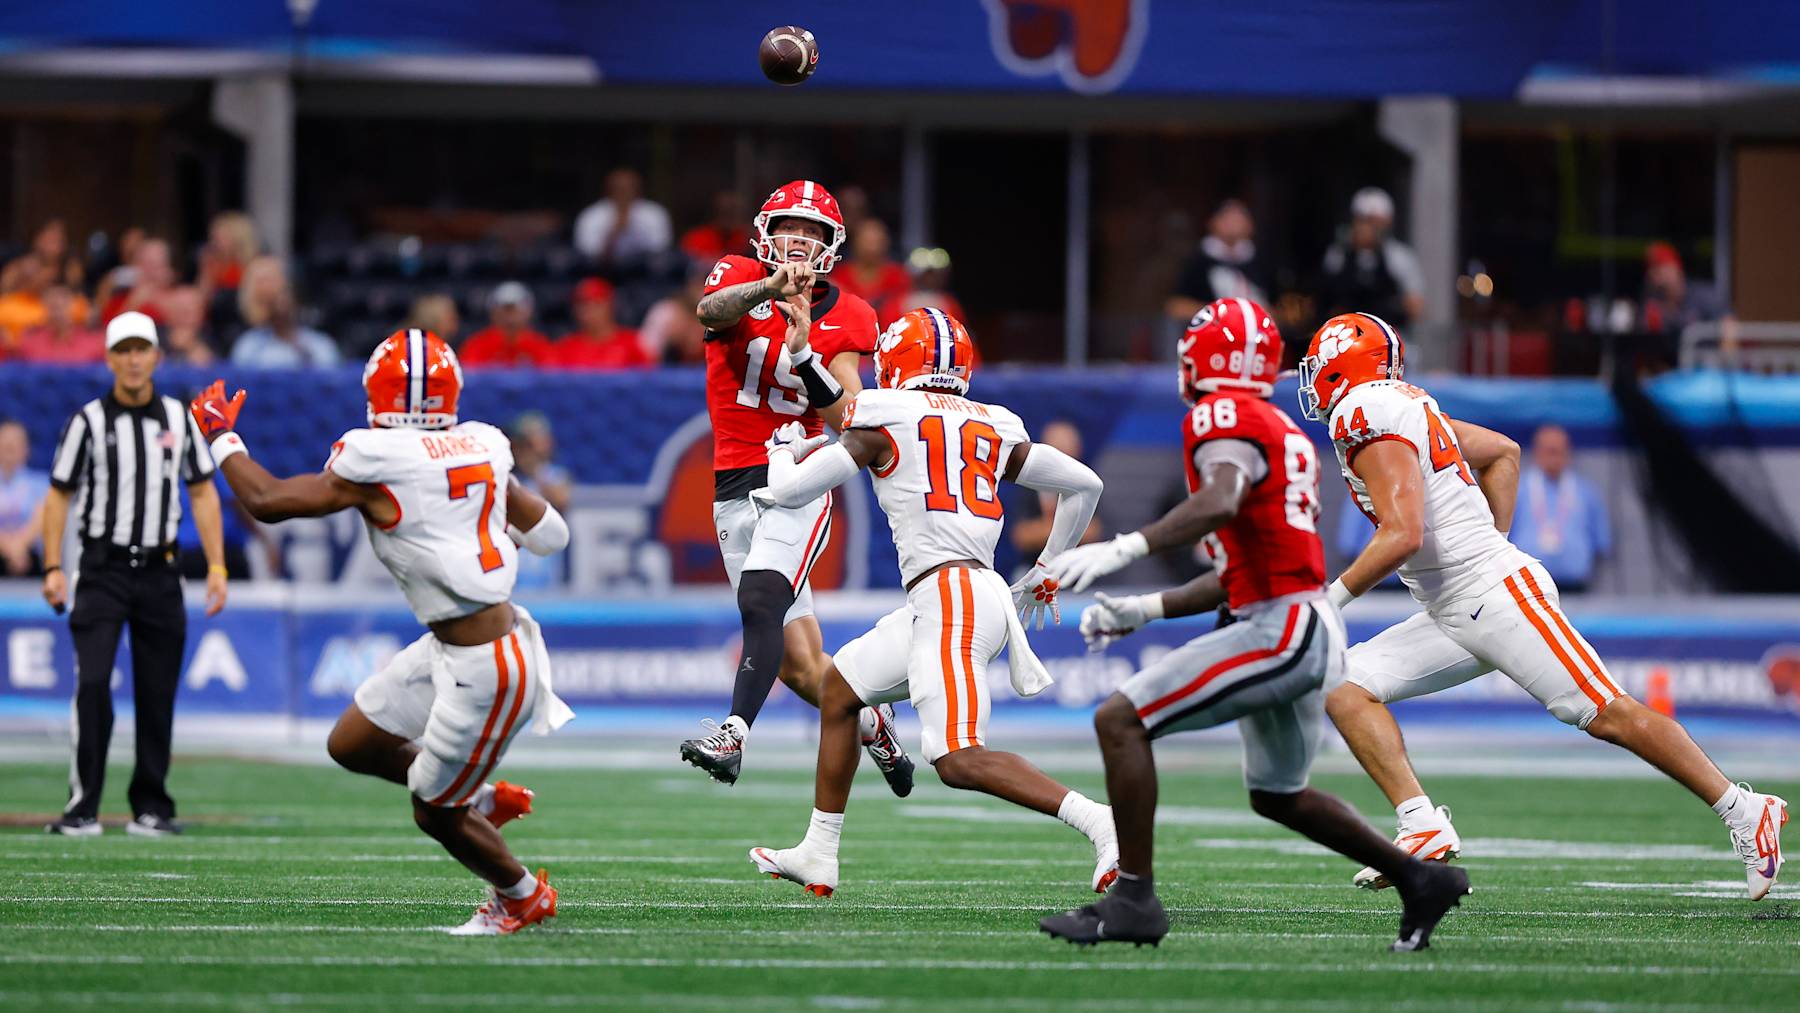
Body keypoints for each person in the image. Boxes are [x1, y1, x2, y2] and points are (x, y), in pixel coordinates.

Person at [1298, 312, 1786, 901]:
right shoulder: (1401, 406)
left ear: (1345, 363)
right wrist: (1492, 544)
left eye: (1320, 361)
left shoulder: (1364, 411)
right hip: (1458, 603)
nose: (1313, 375)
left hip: (1487, 593)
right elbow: (1502, 451)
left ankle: (1743, 809)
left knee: (1608, 714)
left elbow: (1402, 533)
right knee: (1344, 684)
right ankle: (1420, 822)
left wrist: (1332, 600)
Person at [1037, 299, 1469, 952]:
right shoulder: (1282, 431)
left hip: (1283, 626)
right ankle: (1419, 878)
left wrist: (1126, 548)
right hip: (1301, 620)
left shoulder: (1222, 414)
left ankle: (1134, 898)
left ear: (1211, 356)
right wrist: (1145, 608)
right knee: (1278, 794)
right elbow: (1239, 568)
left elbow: (1222, 497)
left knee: (1120, 719)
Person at [190, 328, 575, 934]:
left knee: (432, 810)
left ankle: (521, 895)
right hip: (453, 644)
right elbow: (553, 536)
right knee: (353, 743)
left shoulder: (374, 457)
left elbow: (265, 499)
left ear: (376, 392)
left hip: (489, 664)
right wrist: (481, 509)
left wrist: (219, 433)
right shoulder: (483, 443)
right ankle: (478, 798)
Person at [745, 307, 1117, 898]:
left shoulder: (883, 415)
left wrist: (781, 450)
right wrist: (1048, 567)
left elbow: (788, 492)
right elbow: (1085, 486)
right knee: (840, 690)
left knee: (958, 759)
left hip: (952, 598)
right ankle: (819, 851)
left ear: (895, 361)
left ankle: (1101, 821)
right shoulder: (991, 421)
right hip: (961, 593)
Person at [680, 179, 913, 791]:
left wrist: (806, 354)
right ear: (766, 234)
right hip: (733, 481)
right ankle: (876, 724)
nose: (799, 241)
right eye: (790, 228)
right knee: (804, 670)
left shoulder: (851, 312)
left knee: (760, 601)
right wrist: (770, 289)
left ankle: (734, 732)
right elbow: (710, 313)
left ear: (832, 246)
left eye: (812, 233)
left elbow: (852, 419)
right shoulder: (736, 275)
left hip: (798, 472)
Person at [40, 311, 229, 837]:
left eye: (140, 349)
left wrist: (216, 565)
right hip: (101, 569)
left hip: (161, 571)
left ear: (156, 356)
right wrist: (53, 564)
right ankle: (83, 807)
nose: (132, 359)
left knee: (157, 689)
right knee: (93, 683)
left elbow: (202, 492)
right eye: (122, 350)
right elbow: (58, 495)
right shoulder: (87, 423)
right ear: (109, 359)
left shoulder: (177, 417)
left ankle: (152, 805)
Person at [1509, 425, 1610, 592]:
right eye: (1549, 450)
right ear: (1537, 452)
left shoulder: (1585, 492)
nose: (1554, 456)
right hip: (1528, 588)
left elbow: (1601, 543)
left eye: (1559, 451)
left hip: (1576, 587)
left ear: (1568, 452)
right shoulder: (1517, 490)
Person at [1318, 188, 1426, 326]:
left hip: (1389, 334)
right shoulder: (1338, 255)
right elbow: (1324, 300)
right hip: (1347, 334)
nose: (1366, 228)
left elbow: (1416, 308)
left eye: (1374, 222)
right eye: (1362, 221)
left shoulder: (1398, 257)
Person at [1008, 419, 1101, 568]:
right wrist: (1070, 529)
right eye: (1056, 451)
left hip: (1076, 566)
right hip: (1032, 566)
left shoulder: (1088, 483)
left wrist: (1042, 530)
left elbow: (1093, 531)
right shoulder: (1027, 487)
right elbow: (1021, 535)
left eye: (1067, 452)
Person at [1165, 200, 1271, 326]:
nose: (1233, 223)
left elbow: (1279, 308)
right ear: (1212, 222)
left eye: (1239, 217)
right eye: (1227, 217)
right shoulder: (1197, 261)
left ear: (1251, 225)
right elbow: (1175, 307)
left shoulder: (1262, 261)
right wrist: (1225, 314)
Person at [509, 412, 572, 590]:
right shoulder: (506, 477)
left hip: (544, 572)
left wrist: (535, 468)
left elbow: (561, 499)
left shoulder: (554, 475)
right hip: (513, 573)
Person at [572, 167, 673, 270]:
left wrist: (633, 228)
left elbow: (661, 248)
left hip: (644, 272)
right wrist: (614, 234)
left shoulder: (654, 213)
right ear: (608, 189)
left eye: (630, 187)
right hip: (603, 270)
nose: (624, 192)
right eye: (619, 188)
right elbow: (586, 254)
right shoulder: (592, 215)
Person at [230, 285, 339, 368]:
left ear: (297, 305)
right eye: (276, 304)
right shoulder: (249, 345)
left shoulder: (319, 345)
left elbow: (331, 382)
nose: (282, 311)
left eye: (287, 304)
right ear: (269, 309)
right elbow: (239, 381)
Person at [553, 278, 649, 369]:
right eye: (582, 305)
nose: (588, 311)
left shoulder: (632, 342)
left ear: (610, 305)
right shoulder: (565, 347)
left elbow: (649, 378)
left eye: (596, 304)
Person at [833, 218, 911, 326]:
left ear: (886, 242)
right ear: (855, 242)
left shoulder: (898, 276)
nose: (872, 248)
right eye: (867, 241)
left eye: (876, 241)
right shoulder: (839, 276)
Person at [459, 282, 554, 368]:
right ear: (493, 312)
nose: (510, 315)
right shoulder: (477, 345)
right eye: (505, 309)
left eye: (515, 309)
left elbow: (551, 375)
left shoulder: (540, 345)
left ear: (528, 312)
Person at [0, 254, 93, 342]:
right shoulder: (6, 305)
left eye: (36, 272)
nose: (31, 277)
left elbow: (90, 323)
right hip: (22, 355)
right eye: (27, 274)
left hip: (66, 355)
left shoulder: (68, 301)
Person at [1642, 241, 1728, 333]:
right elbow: (1646, 336)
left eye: (1661, 269)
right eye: (1653, 270)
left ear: (1676, 269)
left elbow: (1728, 325)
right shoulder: (1653, 302)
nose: (1657, 276)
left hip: (1703, 347)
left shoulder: (1702, 295)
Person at [0, 419, 49, 576]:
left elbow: (42, 517)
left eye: (16, 443)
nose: (10, 447)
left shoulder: (41, 483)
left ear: (26, 449)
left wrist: (20, 545)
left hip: (31, 557)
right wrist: (9, 548)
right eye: (5, 443)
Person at [13, 284, 104, 363]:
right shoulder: (29, 342)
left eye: (63, 305)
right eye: (53, 306)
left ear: (76, 305)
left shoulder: (95, 342)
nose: (58, 312)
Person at [637, 265, 709, 364]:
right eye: (700, 284)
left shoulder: (724, 315)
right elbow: (647, 354)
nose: (702, 290)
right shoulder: (667, 312)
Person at [99, 237, 176, 324]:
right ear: (135, 266)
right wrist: (134, 303)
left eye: (158, 265)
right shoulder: (119, 300)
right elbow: (110, 331)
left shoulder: (180, 297)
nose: (151, 271)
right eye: (147, 264)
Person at [2, 219, 85, 293]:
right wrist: (31, 284)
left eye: (57, 240)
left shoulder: (70, 267)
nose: (52, 245)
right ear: (36, 240)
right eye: (49, 239)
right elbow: (5, 293)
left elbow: (76, 294)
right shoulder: (19, 266)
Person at [679, 189, 750, 263]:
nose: (730, 219)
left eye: (734, 213)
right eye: (725, 213)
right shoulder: (696, 239)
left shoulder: (745, 239)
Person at [197, 211, 258, 295]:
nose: (215, 243)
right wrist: (206, 273)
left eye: (222, 238)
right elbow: (202, 296)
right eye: (214, 238)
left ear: (238, 239)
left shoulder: (253, 264)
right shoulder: (213, 265)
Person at [159, 286, 218, 366]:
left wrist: (192, 346)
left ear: (202, 314)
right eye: (179, 310)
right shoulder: (152, 336)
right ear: (167, 313)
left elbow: (217, 371)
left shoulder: (214, 337)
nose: (184, 317)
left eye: (190, 311)